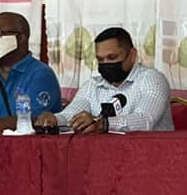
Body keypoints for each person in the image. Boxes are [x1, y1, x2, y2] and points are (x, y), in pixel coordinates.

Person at [37, 27, 173, 133]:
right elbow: (70, 115)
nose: (106, 63)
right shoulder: (92, 85)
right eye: (100, 60)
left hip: (152, 157)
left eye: (112, 57)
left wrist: (104, 124)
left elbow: (145, 120)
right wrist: (53, 120)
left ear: (132, 55)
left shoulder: (152, 79)